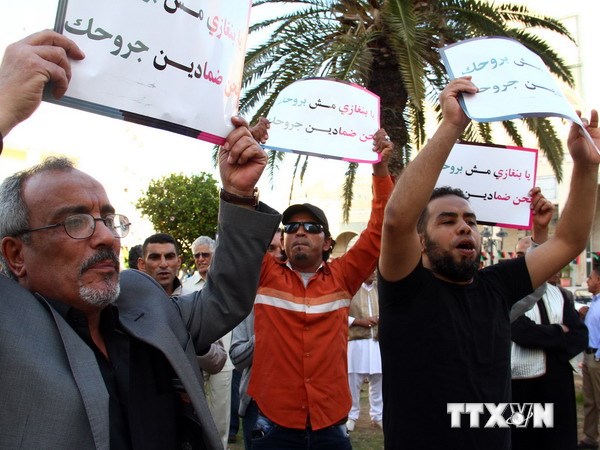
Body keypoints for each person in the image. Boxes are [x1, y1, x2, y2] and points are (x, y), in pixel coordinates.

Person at [0, 30, 281, 449]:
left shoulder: (141, 297)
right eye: (75, 222)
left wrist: (238, 196)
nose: (105, 237)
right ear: (16, 254)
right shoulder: (8, 323)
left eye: (107, 219)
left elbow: (224, 302)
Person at [378, 76, 600, 450]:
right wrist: (452, 124)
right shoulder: (406, 288)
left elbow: (568, 241)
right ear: (421, 242)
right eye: (447, 221)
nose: (464, 226)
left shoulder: (496, 286)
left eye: (470, 220)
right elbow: (397, 219)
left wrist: (585, 165)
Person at [248, 130, 394, 449]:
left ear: (327, 242)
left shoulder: (343, 276)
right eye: (292, 227)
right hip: (272, 422)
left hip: (330, 423)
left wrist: (380, 170)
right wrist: (246, 169)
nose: (300, 231)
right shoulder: (265, 274)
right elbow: (240, 232)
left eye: (311, 227)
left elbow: (379, 230)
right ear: (283, 239)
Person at [509, 199, 588, 450]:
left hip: (557, 383)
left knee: (558, 440)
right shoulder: (508, 295)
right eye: (522, 256)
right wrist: (557, 332)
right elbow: (519, 331)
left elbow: (579, 336)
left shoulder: (561, 296)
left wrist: (546, 337)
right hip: (520, 385)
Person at [230, 231, 284, 450]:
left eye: (282, 249)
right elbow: (237, 358)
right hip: (257, 404)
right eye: (271, 249)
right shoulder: (248, 299)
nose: (278, 254)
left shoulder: (307, 296)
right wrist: (264, 333)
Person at [183, 234, 234, 450]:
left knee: (220, 416)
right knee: (195, 415)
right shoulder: (186, 287)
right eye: (197, 255)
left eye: (205, 254)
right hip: (194, 361)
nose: (201, 259)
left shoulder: (226, 286)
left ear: (215, 255)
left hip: (224, 361)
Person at [346, 270, 383, 432]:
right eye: (370, 270)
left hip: (376, 343)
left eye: (375, 270)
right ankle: (352, 416)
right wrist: (359, 321)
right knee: (353, 381)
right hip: (357, 343)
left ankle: (377, 416)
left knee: (378, 379)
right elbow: (340, 314)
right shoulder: (351, 289)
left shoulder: (379, 290)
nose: (374, 273)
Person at [579, 265, 600, 449]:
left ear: (599, 280)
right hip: (588, 357)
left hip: (597, 359)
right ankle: (590, 438)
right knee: (590, 401)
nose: (587, 280)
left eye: (590, 277)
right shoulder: (594, 302)